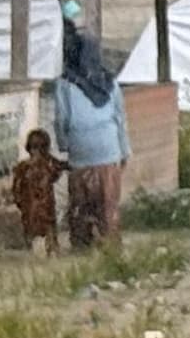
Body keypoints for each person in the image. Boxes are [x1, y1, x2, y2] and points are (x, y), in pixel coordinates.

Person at [48, 14, 129, 250]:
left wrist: (65, 146)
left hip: (81, 152)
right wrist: (124, 151)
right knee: (108, 205)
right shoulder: (109, 82)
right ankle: (110, 246)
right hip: (109, 149)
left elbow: (61, 120)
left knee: (80, 206)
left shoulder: (64, 84)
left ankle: (82, 246)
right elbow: (120, 118)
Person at [8, 128, 65, 256]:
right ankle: (53, 249)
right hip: (46, 206)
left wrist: (19, 201)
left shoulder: (22, 167)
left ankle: (32, 251)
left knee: (30, 231)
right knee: (50, 227)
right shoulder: (49, 164)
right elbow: (58, 172)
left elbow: (15, 188)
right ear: (47, 147)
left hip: (29, 208)